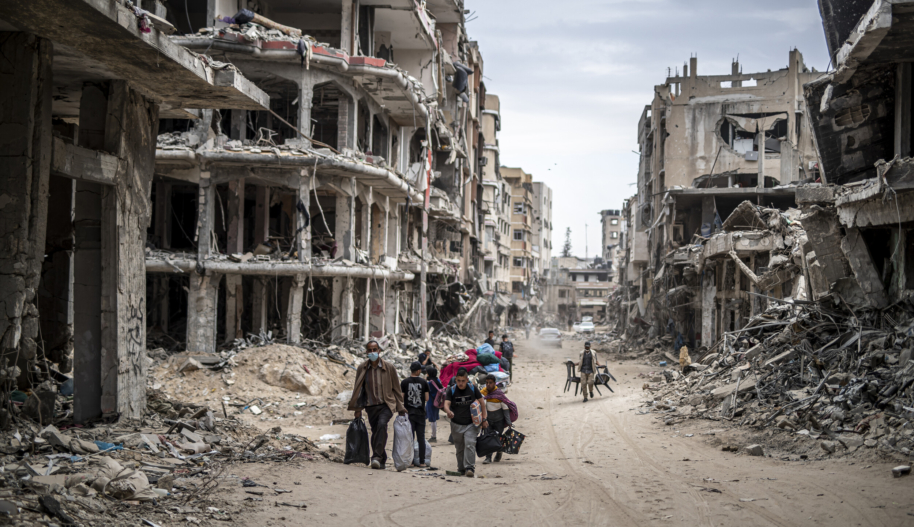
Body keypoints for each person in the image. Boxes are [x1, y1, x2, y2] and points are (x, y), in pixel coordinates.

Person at [347, 341, 407, 469]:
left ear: (379, 350)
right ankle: (382, 459)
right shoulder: (362, 368)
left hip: (386, 404)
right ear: (366, 352)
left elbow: (396, 388)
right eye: (370, 350)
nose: (372, 352)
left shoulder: (389, 367)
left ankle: (376, 457)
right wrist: (358, 409)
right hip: (370, 406)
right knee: (376, 432)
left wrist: (401, 407)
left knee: (382, 425)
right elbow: (358, 389)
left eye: (375, 349)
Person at [444, 367, 487, 477]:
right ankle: (461, 468)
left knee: (469, 444)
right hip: (456, 424)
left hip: (471, 424)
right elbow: (446, 404)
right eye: (458, 381)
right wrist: (448, 411)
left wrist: (484, 419)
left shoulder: (473, 388)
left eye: (463, 381)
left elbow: (482, 403)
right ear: (456, 380)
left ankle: (470, 468)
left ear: (467, 380)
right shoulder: (452, 390)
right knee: (459, 448)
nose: (461, 383)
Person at [480, 374, 517, 464]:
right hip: (488, 420)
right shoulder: (483, 393)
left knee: (498, 438)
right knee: (488, 437)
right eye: (487, 383)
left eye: (490, 383)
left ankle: (499, 452)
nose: (488, 385)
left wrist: (508, 422)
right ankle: (488, 457)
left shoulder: (499, 395)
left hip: (499, 421)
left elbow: (505, 409)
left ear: (495, 383)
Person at [401, 362, 430, 467]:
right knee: (421, 438)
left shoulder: (404, 382)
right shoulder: (424, 382)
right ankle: (422, 462)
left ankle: (411, 461)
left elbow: (401, 397)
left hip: (409, 414)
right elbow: (427, 398)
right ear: (418, 371)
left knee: (410, 437)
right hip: (421, 413)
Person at [425, 366, 442, 442]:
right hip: (436, 402)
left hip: (431, 402)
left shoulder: (430, 383)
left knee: (432, 420)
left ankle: (433, 436)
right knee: (432, 418)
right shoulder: (437, 380)